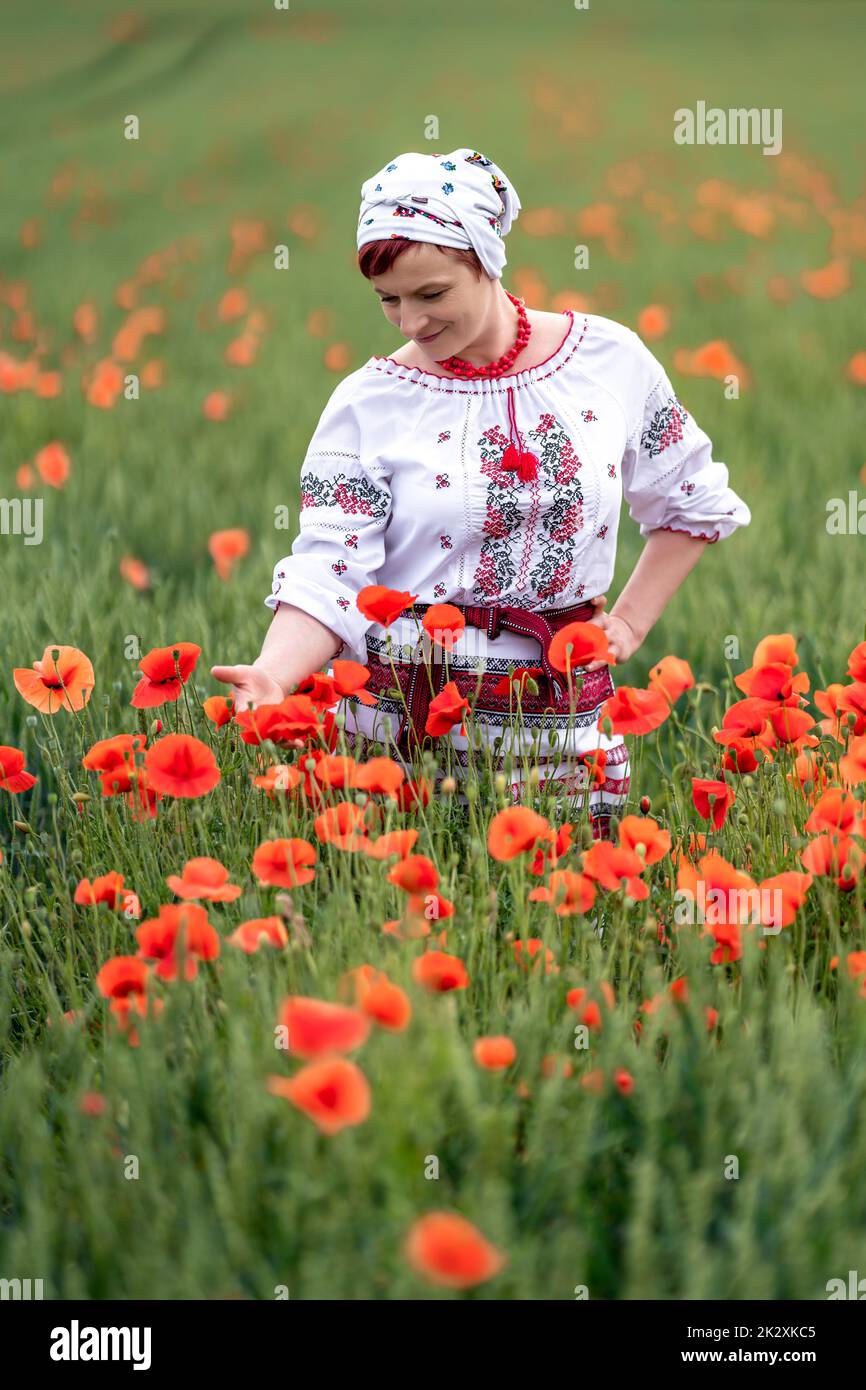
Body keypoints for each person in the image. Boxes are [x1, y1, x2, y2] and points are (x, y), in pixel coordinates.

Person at [212, 146, 750, 837]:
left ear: (487, 259)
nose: (410, 322)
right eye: (389, 301)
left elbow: (690, 498)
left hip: (561, 721)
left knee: (563, 922)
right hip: (398, 734)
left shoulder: (609, 362)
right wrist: (273, 675)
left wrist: (631, 621)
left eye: (431, 294)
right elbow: (329, 570)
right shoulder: (370, 403)